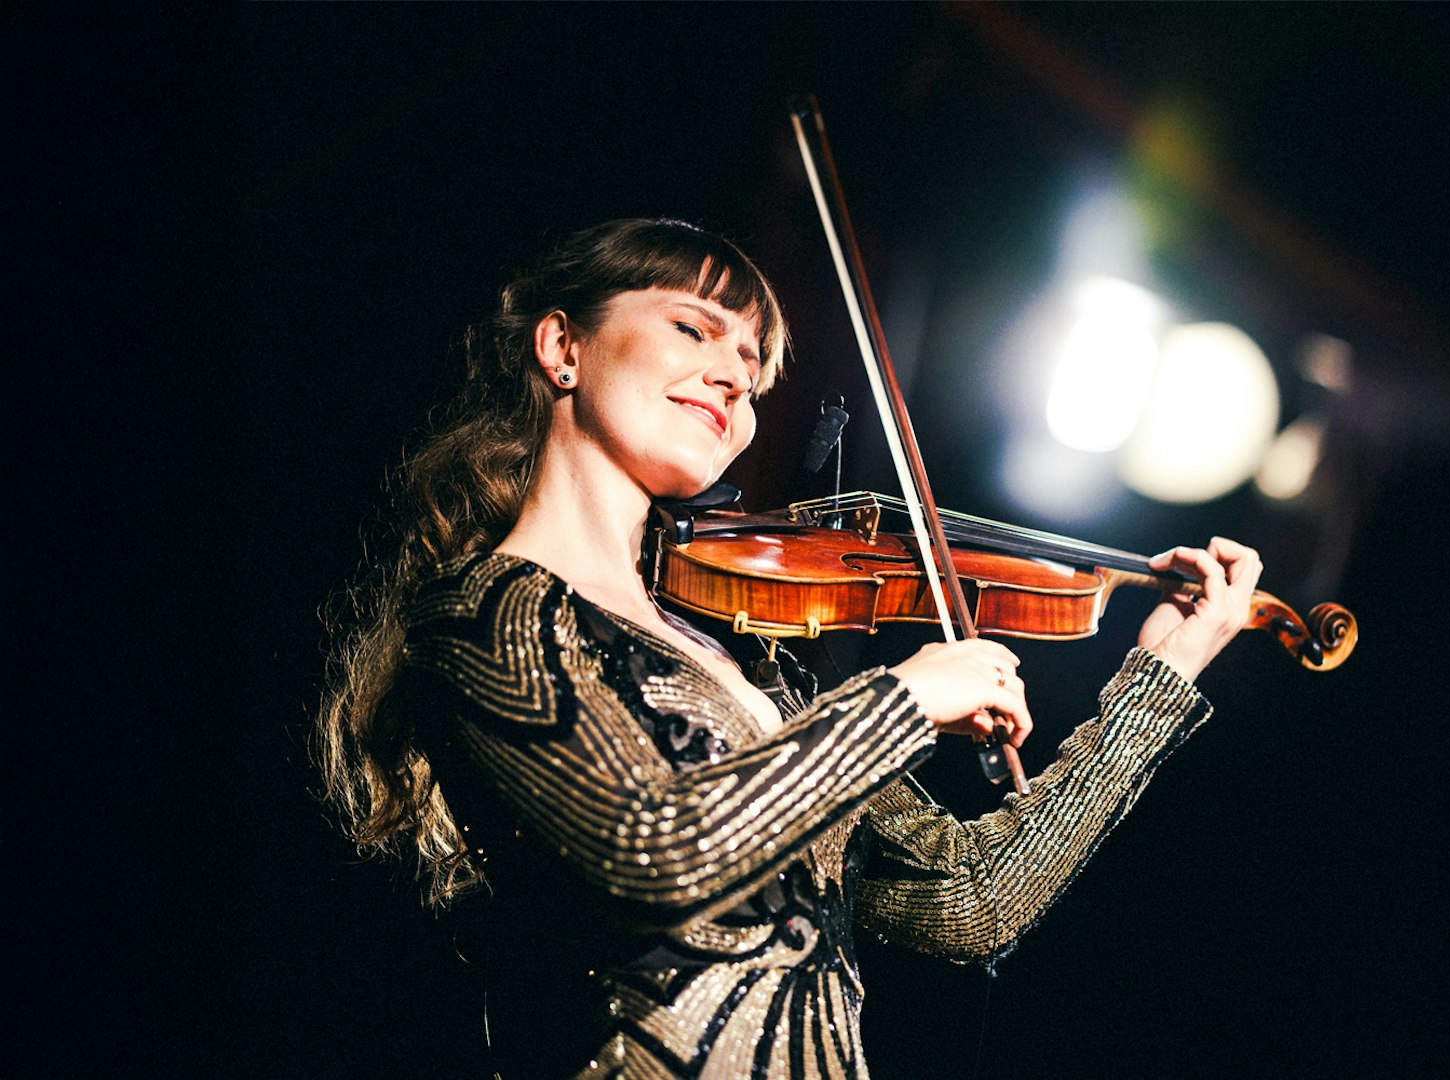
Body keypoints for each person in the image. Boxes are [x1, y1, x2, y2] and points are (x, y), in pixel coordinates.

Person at [317, 218, 1262, 1079]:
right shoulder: (485, 615)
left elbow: (974, 900)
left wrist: (1161, 674)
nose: (735, 373)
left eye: (753, 360)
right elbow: (651, 849)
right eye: (694, 329)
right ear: (564, 347)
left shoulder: (754, 671)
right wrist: (899, 703)